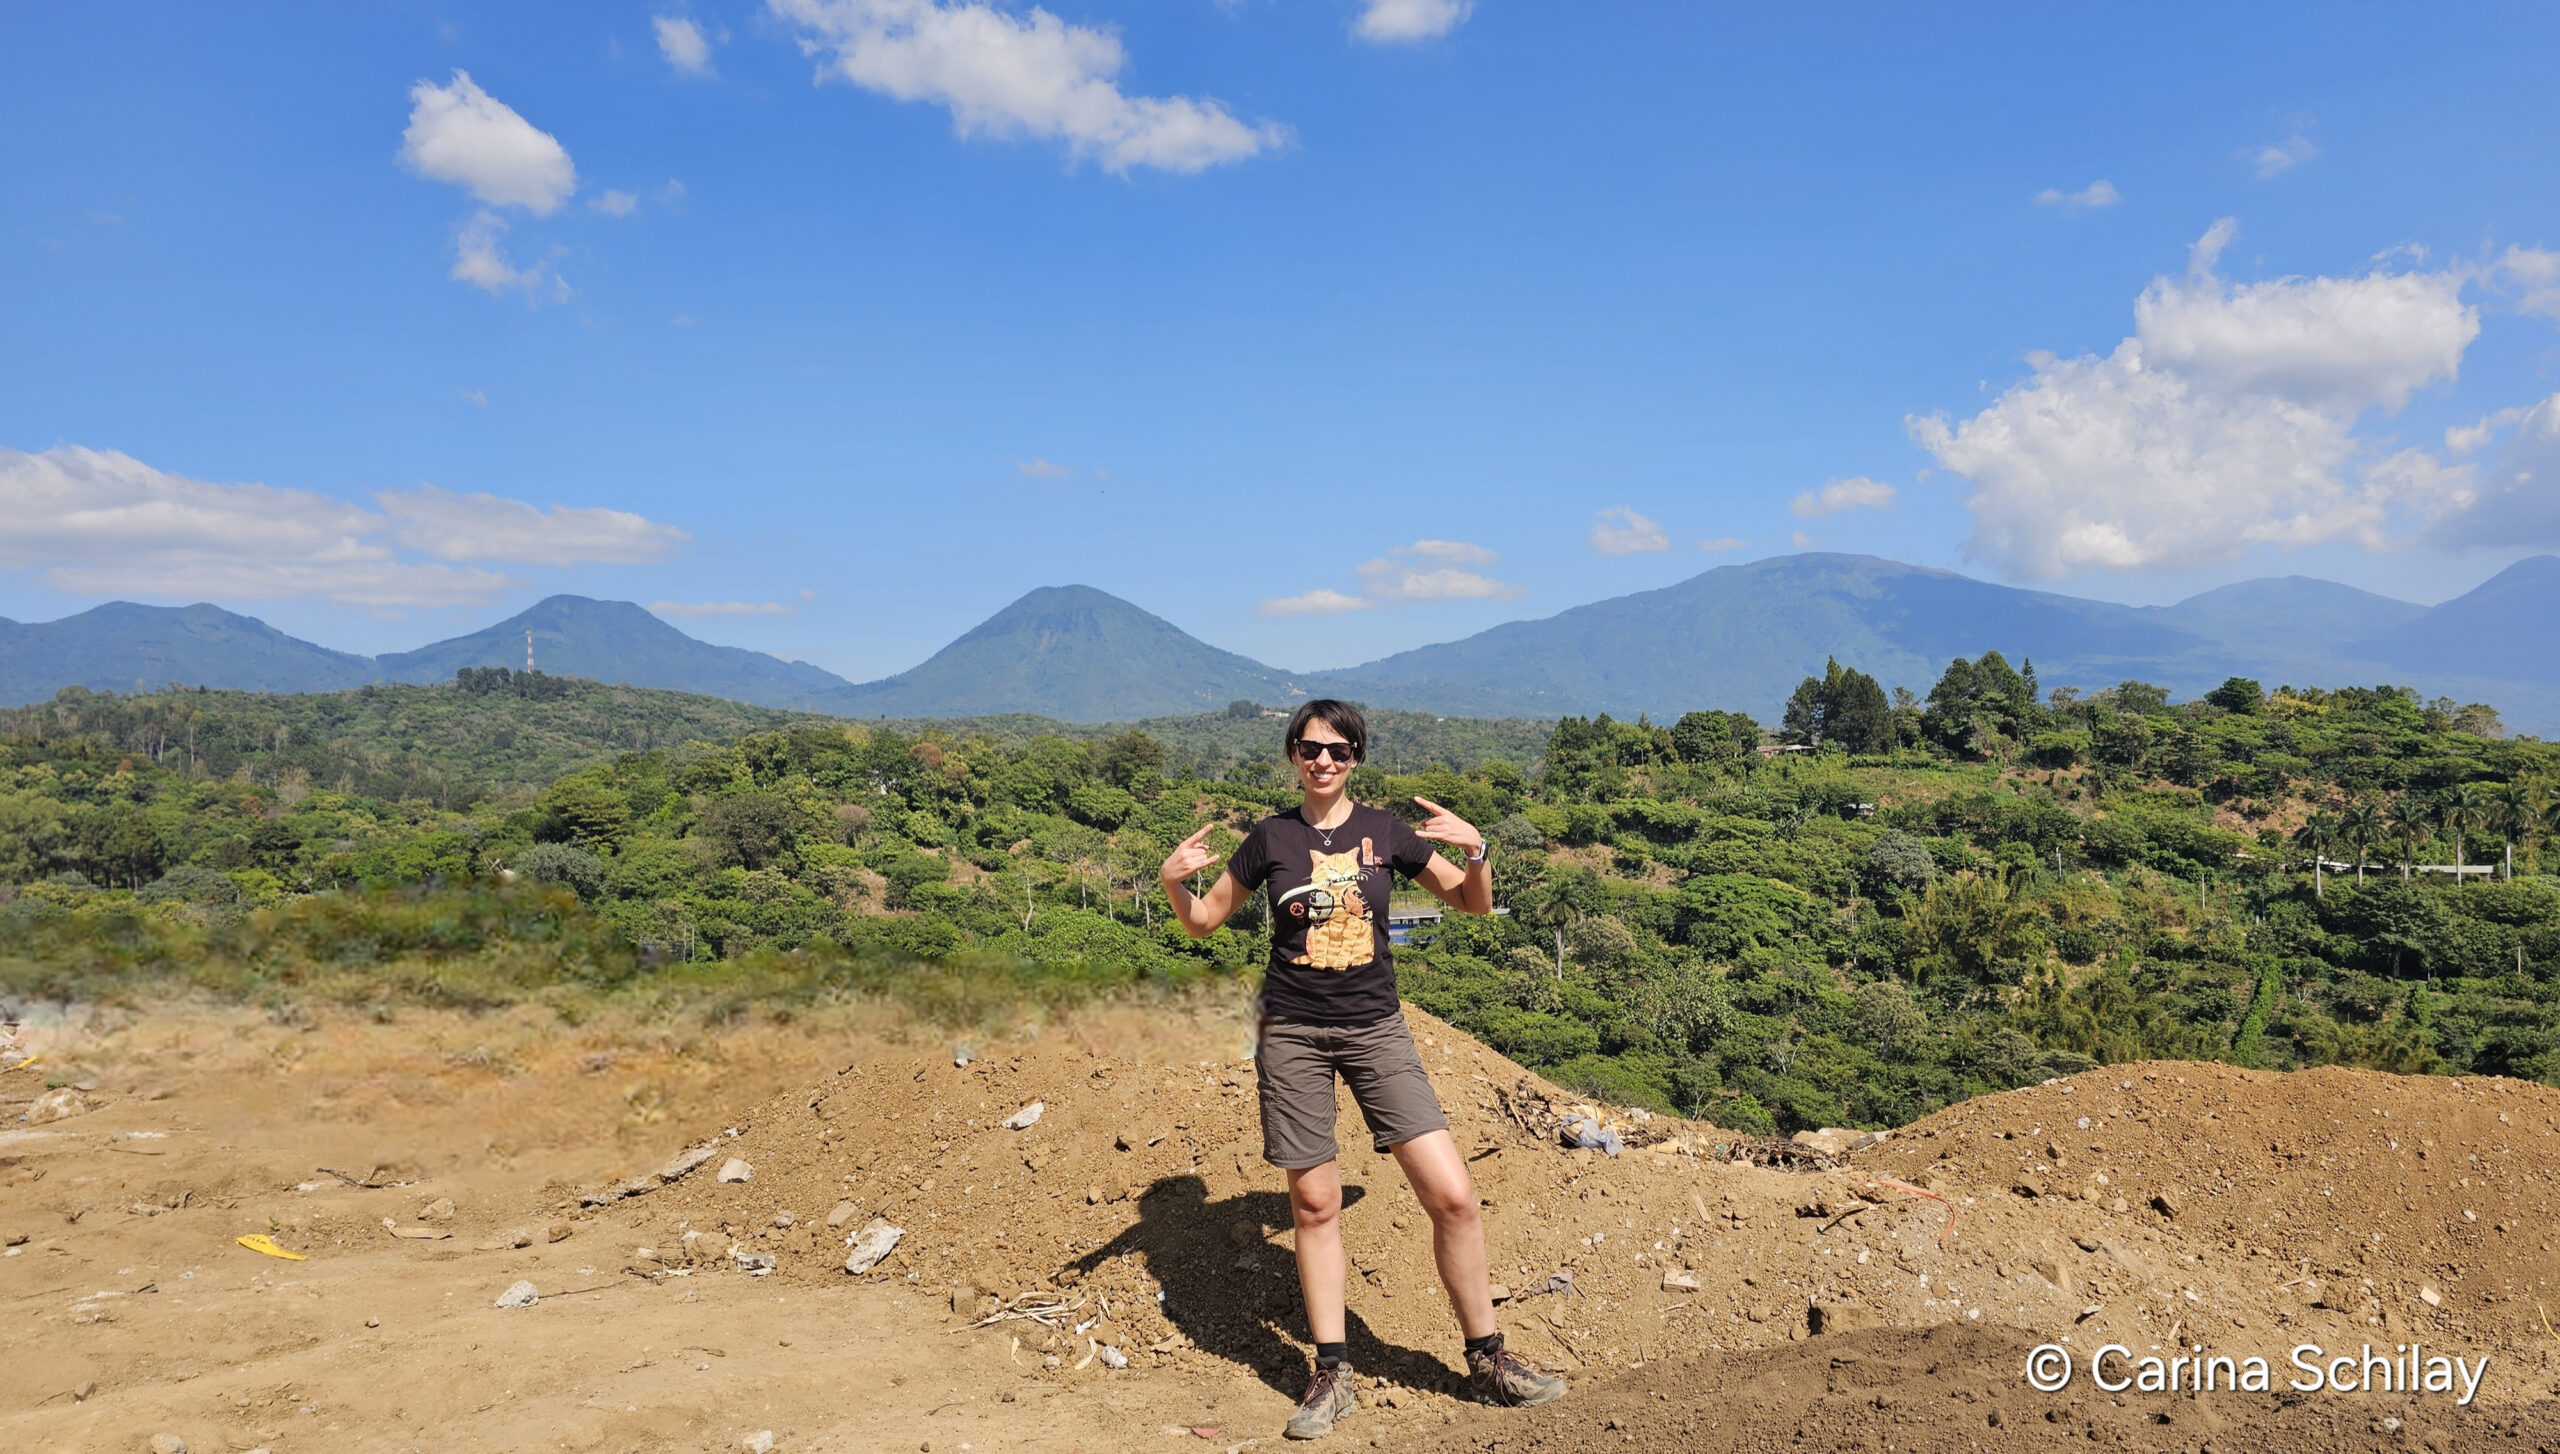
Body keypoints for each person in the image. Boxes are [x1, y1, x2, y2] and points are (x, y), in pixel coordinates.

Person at [1160, 699, 1566, 1440]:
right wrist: (1170, 880)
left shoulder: (1386, 833)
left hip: (1376, 1029)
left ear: (1356, 759)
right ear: (1292, 754)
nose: (1324, 761)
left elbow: (1472, 905)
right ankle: (1332, 1371)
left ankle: (1490, 1356)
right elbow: (1201, 921)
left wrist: (1478, 851)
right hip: (1292, 1034)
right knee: (1314, 1206)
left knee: (1453, 1197)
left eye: (1340, 751)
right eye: (1311, 748)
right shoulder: (1268, 839)